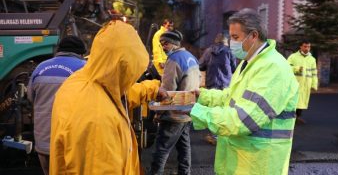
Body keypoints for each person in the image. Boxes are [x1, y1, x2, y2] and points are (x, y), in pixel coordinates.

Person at [190, 8, 299, 175]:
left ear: (253, 36)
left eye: (235, 37)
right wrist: (201, 96)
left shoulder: (273, 68)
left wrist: (195, 111)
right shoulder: (248, 62)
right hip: (241, 158)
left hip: (259, 164)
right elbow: (230, 97)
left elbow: (244, 119)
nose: (232, 43)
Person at [50, 20, 166, 175]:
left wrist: (153, 88)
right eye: (131, 73)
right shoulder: (98, 120)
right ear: (122, 68)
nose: (131, 80)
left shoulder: (84, 80)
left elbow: (121, 93)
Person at [27, 36, 87, 175]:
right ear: (81, 53)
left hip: (43, 142)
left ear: (59, 50)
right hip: (69, 143)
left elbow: (31, 98)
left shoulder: (40, 67)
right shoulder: (84, 69)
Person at [149, 30, 201, 175]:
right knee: (184, 147)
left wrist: (158, 113)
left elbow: (166, 91)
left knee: (162, 149)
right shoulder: (191, 57)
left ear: (170, 44)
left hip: (174, 114)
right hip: (188, 111)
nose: (163, 48)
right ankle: (185, 172)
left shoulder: (173, 60)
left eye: (163, 44)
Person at [199, 33, 236, 145]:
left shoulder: (208, 51)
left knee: (213, 110)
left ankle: (214, 136)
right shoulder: (229, 52)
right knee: (224, 109)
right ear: (226, 41)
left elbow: (200, 65)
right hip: (225, 85)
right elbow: (234, 68)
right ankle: (223, 134)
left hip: (211, 83)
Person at [287, 40, 318, 124]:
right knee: (293, 100)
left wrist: (314, 84)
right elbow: (286, 67)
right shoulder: (293, 57)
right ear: (300, 47)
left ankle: (298, 117)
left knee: (302, 101)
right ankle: (291, 117)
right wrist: (297, 69)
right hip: (295, 83)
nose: (307, 48)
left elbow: (314, 72)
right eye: (305, 46)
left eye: (308, 47)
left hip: (306, 84)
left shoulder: (312, 59)